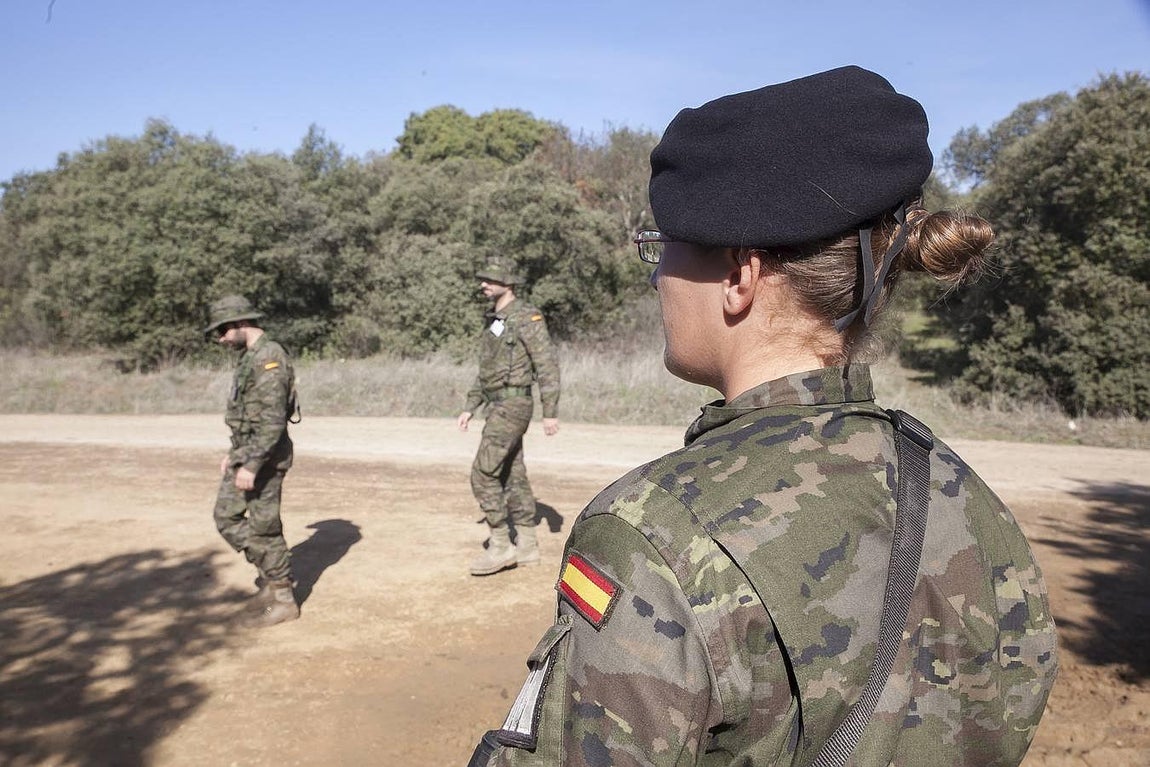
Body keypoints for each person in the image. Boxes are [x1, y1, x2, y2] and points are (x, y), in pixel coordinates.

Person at [468, 67, 1057, 766]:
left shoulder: (653, 534)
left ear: (740, 278)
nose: (657, 278)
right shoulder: (968, 496)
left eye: (663, 249)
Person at [458, 260, 561, 576]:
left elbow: (546, 364)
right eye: (483, 279)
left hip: (514, 405)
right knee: (512, 473)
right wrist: (470, 406)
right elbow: (488, 370)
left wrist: (550, 411)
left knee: (482, 473)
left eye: (490, 279)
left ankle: (501, 545)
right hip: (498, 404)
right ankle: (527, 545)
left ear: (509, 282)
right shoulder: (496, 320)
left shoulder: (526, 317)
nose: (484, 285)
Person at [205, 295, 300, 628]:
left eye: (222, 331)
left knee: (263, 527)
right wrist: (235, 455)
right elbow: (249, 416)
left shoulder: (270, 358)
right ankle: (271, 575)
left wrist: (253, 465)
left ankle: (283, 597)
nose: (220, 339)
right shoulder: (250, 357)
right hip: (248, 453)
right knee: (227, 517)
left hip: (266, 459)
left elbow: (273, 420)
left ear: (240, 323)